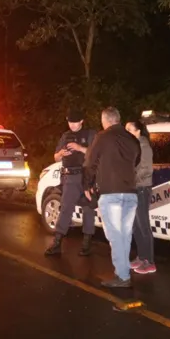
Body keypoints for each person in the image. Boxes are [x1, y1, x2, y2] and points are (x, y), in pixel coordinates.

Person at [83, 107, 140, 288]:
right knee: (124, 235)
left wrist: (87, 185)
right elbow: (136, 162)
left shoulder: (102, 137)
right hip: (130, 193)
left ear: (105, 121)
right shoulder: (132, 139)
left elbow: (90, 162)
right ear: (119, 119)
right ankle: (122, 272)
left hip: (111, 193)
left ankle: (122, 276)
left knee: (115, 235)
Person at [44, 108, 98, 256]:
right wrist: (61, 154)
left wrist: (79, 148)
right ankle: (57, 243)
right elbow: (55, 157)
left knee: (88, 208)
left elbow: (96, 154)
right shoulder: (65, 136)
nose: (72, 125)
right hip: (70, 177)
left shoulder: (90, 134)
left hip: (86, 175)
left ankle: (87, 243)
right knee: (66, 208)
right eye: (70, 122)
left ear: (81, 121)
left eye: (75, 122)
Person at [126, 120, 156, 274]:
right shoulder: (134, 145)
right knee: (136, 225)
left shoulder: (143, 145)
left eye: (129, 129)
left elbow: (145, 169)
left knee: (143, 224)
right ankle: (141, 257)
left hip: (142, 188)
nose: (127, 132)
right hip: (135, 188)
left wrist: (131, 180)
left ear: (138, 131)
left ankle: (149, 262)